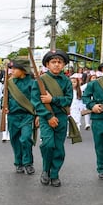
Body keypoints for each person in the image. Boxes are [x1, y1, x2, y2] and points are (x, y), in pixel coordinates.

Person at [36, 50, 75, 187]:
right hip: (46, 117)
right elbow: (36, 102)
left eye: (60, 62)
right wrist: (48, 116)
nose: (57, 65)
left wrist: (52, 99)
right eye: (53, 62)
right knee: (47, 144)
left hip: (61, 117)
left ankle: (54, 174)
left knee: (58, 147)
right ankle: (45, 170)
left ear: (64, 64)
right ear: (47, 64)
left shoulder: (66, 81)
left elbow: (68, 100)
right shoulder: (41, 81)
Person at [4, 58, 39, 174]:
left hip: (27, 115)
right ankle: (18, 163)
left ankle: (28, 163)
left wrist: (37, 115)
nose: (12, 71)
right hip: (13, 116)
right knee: (15, 140)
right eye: (11, 68)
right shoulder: (9, 82)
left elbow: (36, 100)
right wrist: (3, 106)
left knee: (25, 139)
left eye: (15, 69)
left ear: (23, 70)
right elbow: (4, 97)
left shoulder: (33, 83)